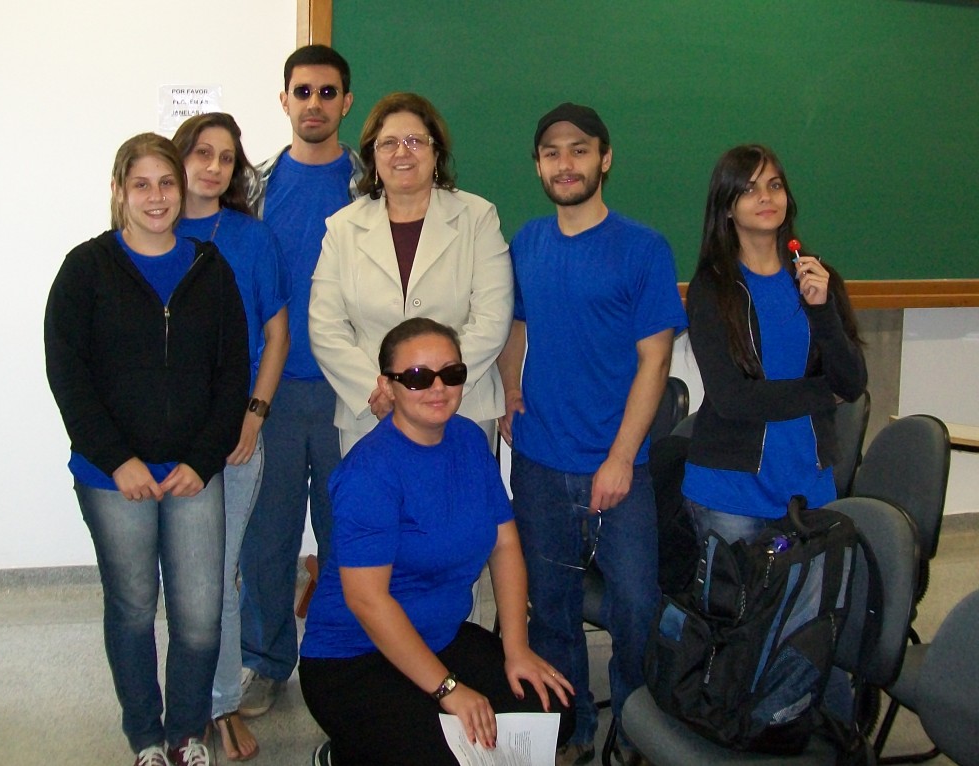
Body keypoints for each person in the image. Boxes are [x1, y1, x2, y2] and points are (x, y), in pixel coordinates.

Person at [44, 133, 249, 766]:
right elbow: (67, 374)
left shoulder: (209, 270)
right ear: (118, 192)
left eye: (166, 183)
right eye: (142, 184)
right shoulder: (85, 269)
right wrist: (117, 460)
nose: (157, 197)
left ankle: (187, 734)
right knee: (132, 608)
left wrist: (203, 460)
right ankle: (145, 738)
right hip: (113, 478)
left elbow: (232, 374)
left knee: (197, 615)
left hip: (193, 474)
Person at [497, 103, 687, 766]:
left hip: (617, 466)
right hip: (541, 461)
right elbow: (514, 324)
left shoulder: (643, 247)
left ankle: (636, 724)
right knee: (550, 607)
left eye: (579, 150)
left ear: (604, 158)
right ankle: (572, 728)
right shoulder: (525, 242)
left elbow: (656, 360)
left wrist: (621, 458)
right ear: (539, 166)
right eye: (551, 152)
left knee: (636, 604)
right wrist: (510, 390)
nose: (564, 163)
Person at [299, 318, 575, 766]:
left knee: (554, 713)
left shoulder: (467, 440)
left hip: (440, 638)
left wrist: (517, 650)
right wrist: (450, 690)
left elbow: (504, 547)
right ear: (388, 385)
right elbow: (368, 602)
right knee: (448, 756)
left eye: (452, 373)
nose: (438, 387)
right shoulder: (368, 472)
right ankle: (346, 754)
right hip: (352, 658)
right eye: (417, 377)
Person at [238, 44, 363, 719]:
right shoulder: (250, 187)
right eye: (302, 92)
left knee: (350, 533)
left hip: (355, 393)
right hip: (274, 394)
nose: (314, 104)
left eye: (327, 93)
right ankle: (264, 661)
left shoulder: (376, 182)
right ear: (284, 100)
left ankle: (343, 657)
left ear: (346, 103)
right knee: (269, 537)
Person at [172, 113, 291, 761]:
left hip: (235, 433)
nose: (214, 167)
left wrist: (255, 413)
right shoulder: (147, 231)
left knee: (219, 575)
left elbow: (276, 335)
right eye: (202, 153)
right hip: (166, 437)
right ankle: (188, 701)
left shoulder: (251, 238)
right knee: (177, 579)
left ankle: (218, 706)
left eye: (226, 157)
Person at [309, 91, 513, 455]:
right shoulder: (342, 228)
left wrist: (428, 387)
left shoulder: (477, 218)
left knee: (460, 511)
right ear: (373, 155)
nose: (402, 152)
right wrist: (384, 389)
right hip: (372, 413)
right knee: (379, 513)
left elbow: (492, 321)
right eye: (388, 143)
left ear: (436, 152)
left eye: (415, 141)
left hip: (459, 410)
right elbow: (325, 328)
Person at [681, 143, 867, 545]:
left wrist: (822, 309)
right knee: (740, 607)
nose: (766, 197)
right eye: (748, 189)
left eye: (775, 185)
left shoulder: (818, 278)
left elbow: (851, 383)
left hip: (810, 487)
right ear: (727, 208)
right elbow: (732, 399)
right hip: (730, 491)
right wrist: (822, 391)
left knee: (810, 608)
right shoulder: (712, 288)